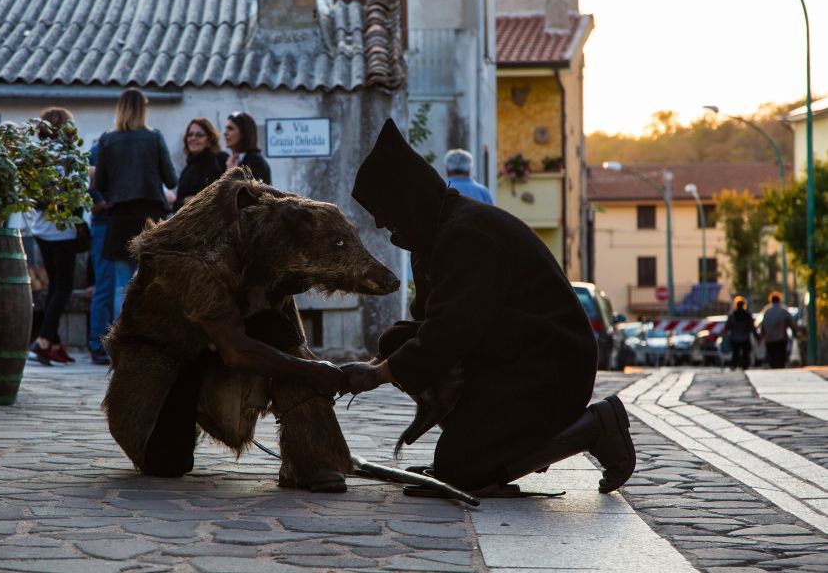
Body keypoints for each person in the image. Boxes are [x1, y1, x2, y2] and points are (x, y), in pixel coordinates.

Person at [340, 119, 635, 495]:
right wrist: (380, 365)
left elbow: (450, 332)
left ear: (408, 199)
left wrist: (378, 375)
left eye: (384, 210)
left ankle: (593, 426)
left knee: (460, 470)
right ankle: (489, 439)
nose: (382, 223)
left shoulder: (467, 235)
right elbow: (429, 322)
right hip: (509, 360)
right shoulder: (433, 238)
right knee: (396, 341)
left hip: (551, 370)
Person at [95, 89, 178, 318]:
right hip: (150, 218)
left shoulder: (107, 140)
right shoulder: (154, 137)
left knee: (122, 286)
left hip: (120, 219)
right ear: (144, 109)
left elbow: (100, 183)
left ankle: (121, 346)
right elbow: (171, 179)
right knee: (152, 283)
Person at [25, 108, 82, 365]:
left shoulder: (39, 155)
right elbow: (77, 192)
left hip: (41, 229)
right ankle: (43, 341)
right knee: (63, 287)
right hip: (63, 229)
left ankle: (55, 344)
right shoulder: (69, 156)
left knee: (54, 285)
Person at [86, 140, 115, 365]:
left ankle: (101, 344)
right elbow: (93, 190)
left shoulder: (105, 145)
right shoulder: (103, 147)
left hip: (110, 222)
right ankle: (98, 343)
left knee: (108, 286)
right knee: (106, 286)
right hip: (106, 223)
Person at [173, 118, 229, 211]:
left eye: (199, 135)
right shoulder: (187, 169)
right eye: (190, 134)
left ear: (209, 139)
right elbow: (176, 206)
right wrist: (185, 201)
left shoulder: (221, 159)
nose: (193, 138)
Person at [224, 112, 271, 184]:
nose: (225, 133)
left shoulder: (255, 161)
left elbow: (248, 192)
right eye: (226, 128)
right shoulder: (233, 159)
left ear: (244, 133)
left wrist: (231, 173)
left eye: (230, 128)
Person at [758, 292, 798, 369]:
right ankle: (780, 367)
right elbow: (791, 323)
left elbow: (763, 325)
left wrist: (762, 335)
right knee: (781, 356)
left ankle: (773, 366)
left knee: (772, 355)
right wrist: (795, 332)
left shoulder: (767, 311)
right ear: (779, 300)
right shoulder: (783, 310)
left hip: (769, 338)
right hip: (781, 338)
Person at [724, 296, 759, 370]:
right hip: (745, 338)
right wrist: (757, 336)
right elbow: (752, 327)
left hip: (734, 338)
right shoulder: (747, 315)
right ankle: (744, 365)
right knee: (745, 354)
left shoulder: (733, 315)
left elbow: (727, 327)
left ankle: (734, 365)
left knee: (735, 353)